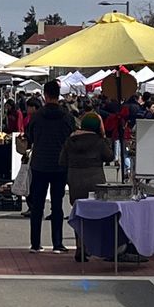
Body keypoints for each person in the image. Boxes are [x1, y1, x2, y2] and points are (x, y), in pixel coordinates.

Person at [24, 78, 73, 253]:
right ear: (58, 95)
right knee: (57, 205)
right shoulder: (67, 116)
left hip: (39, 164)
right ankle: (58, 243)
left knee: (37, 205)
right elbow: (71, 137)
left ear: (44, 95)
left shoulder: (36, 116)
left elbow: (30, 137)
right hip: (60, 165)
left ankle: (35, 243)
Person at [59, 112, 113, 261]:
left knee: (79, 213)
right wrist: (104, 137)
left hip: (75, 179)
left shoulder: (70, 140)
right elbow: (110, 157)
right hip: (95, 179)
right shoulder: (98, 141)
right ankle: (92, 246)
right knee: (96, 214)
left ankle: (79, 247)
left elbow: (62, 161)